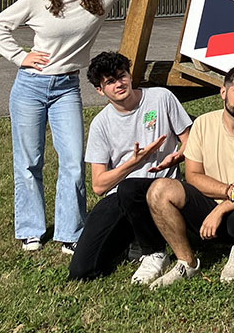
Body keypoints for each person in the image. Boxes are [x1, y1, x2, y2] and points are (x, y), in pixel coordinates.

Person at [0, 0, 145, 253]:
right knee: (29, 161)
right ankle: (31, 229)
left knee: (73, 161)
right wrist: (21, 56)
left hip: (66, 89)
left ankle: (71, 232)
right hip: (30, 86)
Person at [145, 65, 234, 288]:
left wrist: (222, 207)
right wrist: (230, 191)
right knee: (159, 190)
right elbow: (193, 176)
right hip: (208, 203)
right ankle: (187, 261)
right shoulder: (203, 123)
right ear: (223, 92)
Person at [68, 52, 193, 284]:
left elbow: (190, 140)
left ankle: (154, 252)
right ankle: (133, 237)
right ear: (100, 90)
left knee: (129, 188)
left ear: (130, 75)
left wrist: (175, 158)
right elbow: (98, 185)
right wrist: (133, 163)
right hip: (122, 197)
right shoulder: (101, 124)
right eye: (110, 82)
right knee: (81, 270)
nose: (119, 84)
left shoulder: (161, 98)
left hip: (160, 189)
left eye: (122, 76)